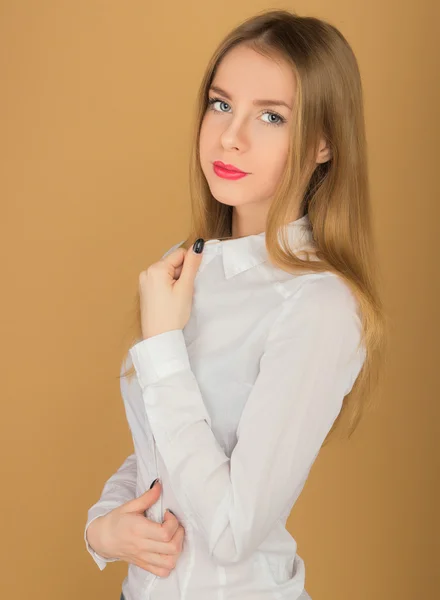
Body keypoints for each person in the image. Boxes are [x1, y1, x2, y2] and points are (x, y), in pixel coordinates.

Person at [84, 8, 387, 600]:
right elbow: (159, 447)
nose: (230, 136)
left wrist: (163, 346)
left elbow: (230, 532)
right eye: (221, 104)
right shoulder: (186, 266)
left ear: (323, 142)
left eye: (271, 117)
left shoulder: (319, 305)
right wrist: (102, 529)